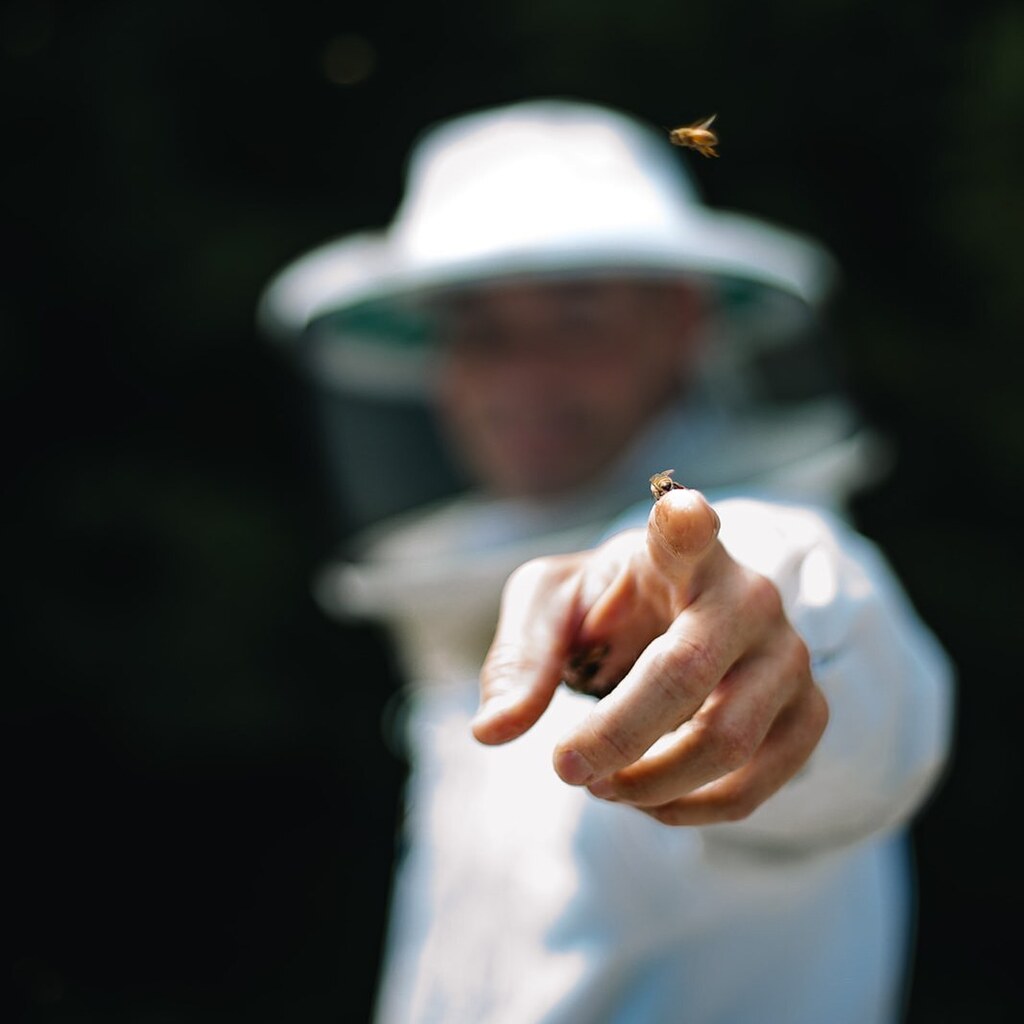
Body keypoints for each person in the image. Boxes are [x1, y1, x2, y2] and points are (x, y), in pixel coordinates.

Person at [258, 98, 955, 1024]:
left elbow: (836, 663)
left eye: (577, 322)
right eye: (485, 333)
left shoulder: (747, 546)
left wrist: (769, 648)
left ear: (681, 325)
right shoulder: (458, 603)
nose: (523, 377)